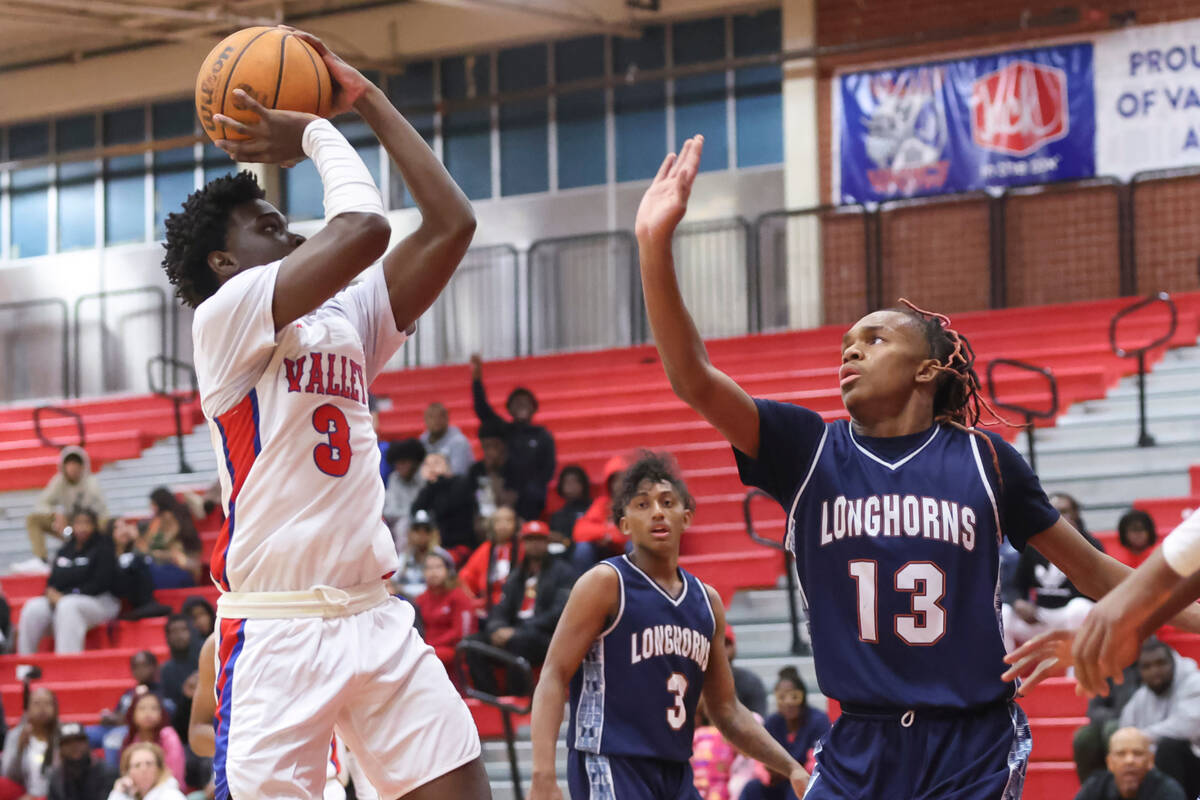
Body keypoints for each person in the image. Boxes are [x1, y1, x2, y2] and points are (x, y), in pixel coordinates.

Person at [633, 133, 1200, 800]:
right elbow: (694, 378)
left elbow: (1102, 577)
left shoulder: (989, 461)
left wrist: (1178, 613)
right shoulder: (807, 448)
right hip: (858, 742)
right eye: (846, 345)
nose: (851, 353)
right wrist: (653, 245)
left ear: (929, 367)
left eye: (874, 339)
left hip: (971, 742)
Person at [159, 27, 486, 800]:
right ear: (223, 261)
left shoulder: (344, 317)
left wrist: (366, 98)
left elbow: (451, 223)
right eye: (260, 223)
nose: (283, 220)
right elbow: (365, 228)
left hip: (372, 614)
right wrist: (313, 130)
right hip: (276, 629)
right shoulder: (225, 317)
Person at [529, 452, 808, 800]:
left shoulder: (707, 602)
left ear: (686, 517)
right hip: (611, 761)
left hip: (675, 771)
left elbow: (727, 711)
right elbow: (554, 674)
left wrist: (791, 766)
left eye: (667, 502)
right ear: (624, 523)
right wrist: (542, 774)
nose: (657, 512)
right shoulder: (604, 583)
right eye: (642, 504)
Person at [467, 520, 575, 696]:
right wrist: (496, 628)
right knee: (472, 643)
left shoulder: (563, 572)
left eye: (539, 539)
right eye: (529, 539)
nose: (534, 544)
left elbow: (559, 612)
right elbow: (501, 606)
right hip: (515, 631)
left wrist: (517, 631)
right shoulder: (516, 574)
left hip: (545, 635)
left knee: (519, 642)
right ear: (523, 542)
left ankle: (517, 700)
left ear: (547, 542)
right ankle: (490, 698)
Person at [18, 508, 119, 654]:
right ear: (72, 525)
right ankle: (25, 666)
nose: (82, 528)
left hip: (100, 601)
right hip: (64, 598)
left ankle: (67, 666)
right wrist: (50, 592)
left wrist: (67, 595)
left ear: (95, 526)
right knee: (32, 608)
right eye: (78, 523)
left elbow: (100, 583)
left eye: (87, 523)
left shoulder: (104, 547)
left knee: (68, 606)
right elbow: (53, 580)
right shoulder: (65, 550)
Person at [1003, 508, 1106, 651]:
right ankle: (1008, 671)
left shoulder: (1089, 546)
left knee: (1079, 608)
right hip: (1040, 616)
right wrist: (1018, 602)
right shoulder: (1033, 547)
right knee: (1004, 613)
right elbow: (1016, 586)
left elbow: (1099, 587)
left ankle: (1076, 673)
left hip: (1071, 615)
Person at [470, 354, 556, 521]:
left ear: (534, 408)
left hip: (531, 494)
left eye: (526, 402)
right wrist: (476, 380)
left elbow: (548, 470)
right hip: (506, 488)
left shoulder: (543, 435)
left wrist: (524, 491)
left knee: (533, 492)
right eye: (516, 403)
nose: (521, 405)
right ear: (509, 409)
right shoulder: (505, 430)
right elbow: (483, 410)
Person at [1116, 639, 1200, 798]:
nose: (1155, 671)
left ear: (1173, 662)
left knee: (1168, 747)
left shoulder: (1195, 683)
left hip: (1194, 769)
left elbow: (1185, 727)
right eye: (1147, 666)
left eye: (1161, 663)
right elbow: (1124, 732)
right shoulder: (1141, 696)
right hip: (1156, 767)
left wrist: (1139, 738)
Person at [738, 668, 831, 800]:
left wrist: (793, 773)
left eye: (794, 697)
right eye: (782, 697)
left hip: (807, 781)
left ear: (803, 696)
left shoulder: (818, 721)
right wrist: (768, 775)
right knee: (751, 788)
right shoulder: (772, 722)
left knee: (797, 791)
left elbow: (819, 763)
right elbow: (760, 762)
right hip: (777, 783)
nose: (788, 703)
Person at [25, 447, 108, 564]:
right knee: (33, 519)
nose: (73, 468)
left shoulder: (91, 483)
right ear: (63, 467)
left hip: (89, 524)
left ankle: (103, 556)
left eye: (76, 464)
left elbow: (102, 511)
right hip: (68, 525)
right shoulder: (58, 481)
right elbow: (41, 503)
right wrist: (55, 513)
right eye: (69, 464)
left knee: (106, 524)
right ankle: (41, 559)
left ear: (82, 466)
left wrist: (85, 523)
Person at [1075, 663, 1143, 783]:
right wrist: (1119, 718)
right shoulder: (1107, 664)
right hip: (1112, 720)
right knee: (1085, 737)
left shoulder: (1150, 657)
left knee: (1113, 729)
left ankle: (1119, 790)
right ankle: (1092, 791)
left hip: (1145, 723)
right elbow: (1093, 710)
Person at [1075, 727, 1186, 800]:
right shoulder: (1095, 787)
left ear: (1150, 761)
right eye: (1121, 754)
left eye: (1137, 753)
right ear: (1109, 762)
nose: (1129, 760)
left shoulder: (1168, 791)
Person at [413, 548, 475, 676]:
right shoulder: (420, 599)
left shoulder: (459, 596)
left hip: (453, 651)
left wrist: (430, 646)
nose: (433, 572)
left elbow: (461, 633)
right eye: (428, 568)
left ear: (448, 570)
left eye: (438, 567)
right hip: (427, 648)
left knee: (423, 660)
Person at [412, 452, 479, 564]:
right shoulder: (428, 489)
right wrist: (432, 484)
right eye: (427, 464)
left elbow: (444, 508)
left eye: (436, 463)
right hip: (435, 546)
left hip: (460, 545)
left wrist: (438, 481)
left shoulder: (461, 483)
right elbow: (415, 511)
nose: (432, 468)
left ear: (448, 466)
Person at [569, 456, 627, 573]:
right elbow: (580, 531)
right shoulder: (602, 503)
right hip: (605, 550)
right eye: (615, 480)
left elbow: (636, 534)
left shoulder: (639, 503)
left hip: (627, 550)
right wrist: (607, 533)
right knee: (582, 548)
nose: (619, 484)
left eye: (623, 479)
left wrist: (612, 536)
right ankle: (584, 589)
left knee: (635, 546)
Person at [0, 687, 60, 799]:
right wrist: (20, 748)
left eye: (47, 703)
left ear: (55, 708)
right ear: (27, 709)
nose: (43, 708)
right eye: (37, 703)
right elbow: (8, 775)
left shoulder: (63, 735)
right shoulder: (16, 735)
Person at [119, 692, 185, 789]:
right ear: (133, 713)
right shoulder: (130, 739)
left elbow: (176, 773)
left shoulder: (168, 736)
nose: (148, 713)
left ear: (161, 713)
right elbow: (126, 773)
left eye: (154, 708)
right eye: (142, 708)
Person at [460, 506, 519, 612]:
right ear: (492, 525)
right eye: (498, 521)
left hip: (516, 605)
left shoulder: (522, 548)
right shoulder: (485, 549)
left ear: (516, 524)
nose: (503, 525)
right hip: (489, 606)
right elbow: (464, 579)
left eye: (508, 520)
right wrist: (473, 601)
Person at [110, 519, 169, 621]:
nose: (124, 531)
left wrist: (136, 540)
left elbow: (151, 561)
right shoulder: (104, 555)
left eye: (125, 526)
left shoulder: (135, 555)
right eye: (117, 528)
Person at [143, 489, 203, 589]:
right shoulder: (169, 517)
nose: (151, 507)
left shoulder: (168, 518)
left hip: (184, 566)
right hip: (179, 564)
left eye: (153, 504)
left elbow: (157, 544)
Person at [47, 722, 116, 800]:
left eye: (79, 740)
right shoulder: (56, 777)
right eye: (68, 742)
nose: (74, 746)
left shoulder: (107, 772)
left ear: (88, 743)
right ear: (61, 748)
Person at [468, 421, 519, 523]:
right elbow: (475, 501)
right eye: (486, 446)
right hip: (484, 520)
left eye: (495, 446)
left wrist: (494, 472)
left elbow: (510, 501)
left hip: (511, 519)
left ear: (504, 445)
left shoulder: (516, 468)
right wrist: (489, 471)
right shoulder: (476, 470)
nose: (491, 451)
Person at [382, 438, 427, 553]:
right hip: (397, 523)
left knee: (404, 525)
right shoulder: (394, 478)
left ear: (415, 462)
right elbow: (390, 510)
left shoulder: (423, 479)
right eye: (397, 463)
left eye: (404, 462)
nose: (399, 466)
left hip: (422, 523)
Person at [106, 743, 186, 800]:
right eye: (137, 765)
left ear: (159, 769)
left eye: (149, 764)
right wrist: (119, 793)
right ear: (128, 772)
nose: (143, 769)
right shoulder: (125, 794)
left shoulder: (172, 796)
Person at [158, 616, 200, 718]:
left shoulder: (204, 661)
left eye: (183, 629)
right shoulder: (166, 670)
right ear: (167, 637)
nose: (179, 635)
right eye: (174, 631)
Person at [393, 510, 440, 599]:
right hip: (407, 603)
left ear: (433, 533)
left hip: (432, 602)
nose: (421, 534)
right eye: (417, 529)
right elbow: (393, 582)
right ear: (410, 533)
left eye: (426, 530)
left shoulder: (440, 556)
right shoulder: (404, 557)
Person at [420, 402, 474, 477]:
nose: (436, 420)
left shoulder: (459, 442)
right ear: (425, 420)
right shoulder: (422, 441)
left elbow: (458, 473)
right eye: (431, 417)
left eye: (440, 416)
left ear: (447, 418)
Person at [724, 625, 768, 718]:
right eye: (716, 645)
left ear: (734, 647)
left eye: (726, 644)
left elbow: (759, 721)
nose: (721, 650)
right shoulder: (696, 679)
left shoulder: (751, 682)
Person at [548, 465, 592, 552]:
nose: (571, 486)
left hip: (589, 552)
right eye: (567, 482)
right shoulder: (558, 515)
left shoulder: (593, 508)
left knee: (584, 548)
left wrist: (566, 540)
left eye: (575, 482)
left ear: (583, 484)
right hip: (564, 555)